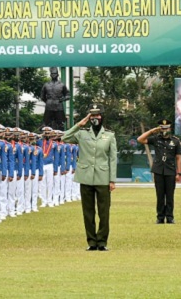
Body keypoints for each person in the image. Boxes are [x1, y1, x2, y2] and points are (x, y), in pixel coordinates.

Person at [63, 103, 117, 251]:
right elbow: (64, 137)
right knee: (88, 212)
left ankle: (102, 242)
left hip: (103, 178)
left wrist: (112, 180)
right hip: (85, 177)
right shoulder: (82, 133)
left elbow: (112, 158)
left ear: (102, 116)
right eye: (92, 115)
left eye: (97, 115)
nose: (95, 118)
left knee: (104, 212)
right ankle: (91, 242)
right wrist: (79, 124)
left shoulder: (110, 135)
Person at [137, 119, 181, 224]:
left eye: (166, 128)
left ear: (170, 128)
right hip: (158, 171)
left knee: (170, 196)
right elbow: (140, 139)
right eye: (162, 128)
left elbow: (178, 157)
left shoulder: (175, 141)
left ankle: (170, 217)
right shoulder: (156, 139)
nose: (164, 130)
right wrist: (152, 131)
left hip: (170, 171)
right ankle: (160, 217)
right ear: (159, 128)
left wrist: (179, 173)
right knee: (160, 195)